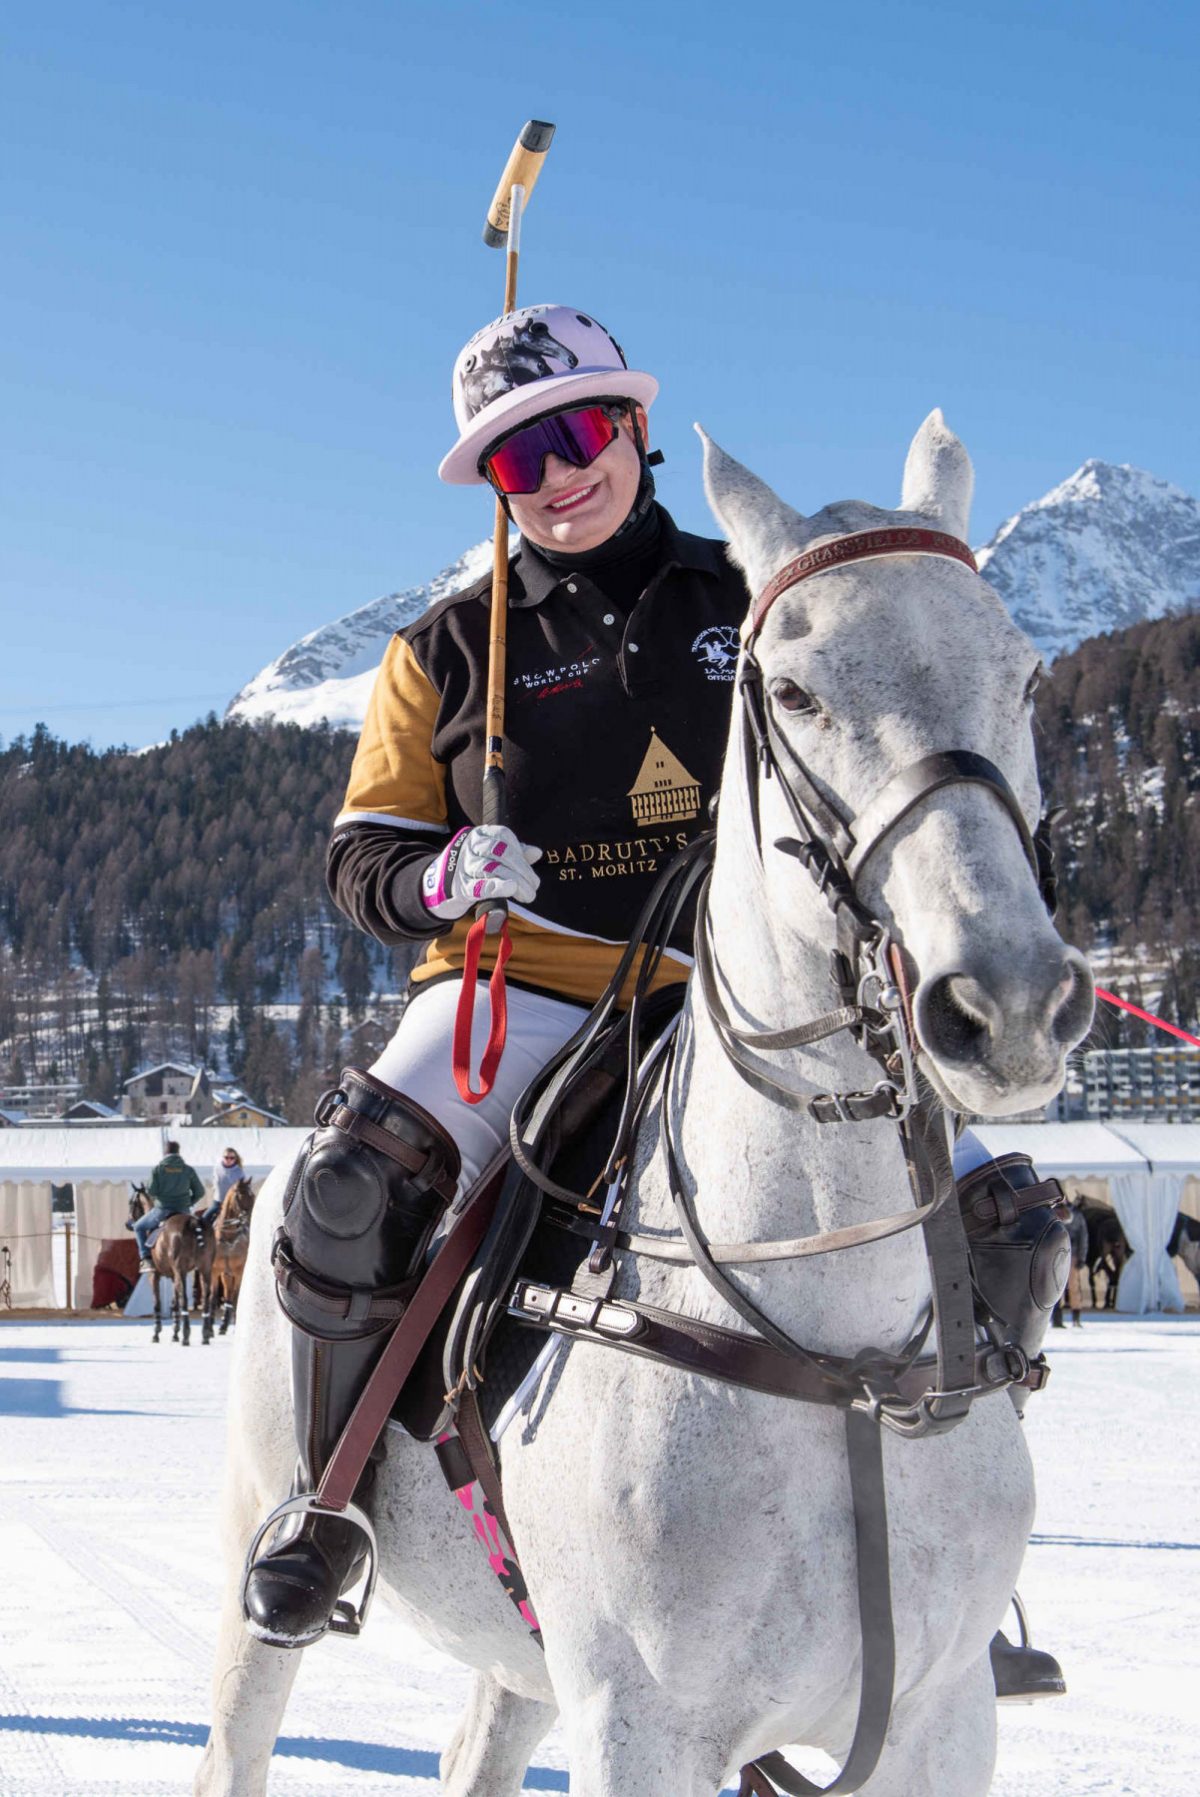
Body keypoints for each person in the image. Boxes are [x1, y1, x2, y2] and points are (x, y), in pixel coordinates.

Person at [242, 304, 1067, 1702]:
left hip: (738, 998)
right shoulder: (447, 647)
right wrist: (440, 876)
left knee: (1006, 1220)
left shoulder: (750, 598)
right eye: (516, 463)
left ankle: (953, 1569)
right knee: (350, 1187)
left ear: (632, 430)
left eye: (576, 435)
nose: (558, 476)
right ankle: (322, 1501)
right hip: (531, 991)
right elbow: (358, 856)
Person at [131, 1140, 205, 1271]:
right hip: (183, 1210)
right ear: (178, 1152)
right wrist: (189, 1202)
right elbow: (200, 1192)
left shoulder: (158, 1169)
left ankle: (146, 1259)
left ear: (165, 1153)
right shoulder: (188, 1170)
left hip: (162, 1210)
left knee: (138, 1227)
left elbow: (151, 1191)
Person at [197, 1145, 244, 1228]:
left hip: (233, 1204)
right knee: (204, 1219)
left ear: (235, 1159)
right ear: (223, 1158)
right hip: (218, 1201)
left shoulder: (239, 1171)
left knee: (245, 1222)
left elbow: (243, 1188)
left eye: (231, 1158)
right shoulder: (217, 1168)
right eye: (226, 1157)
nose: (229, 1160)